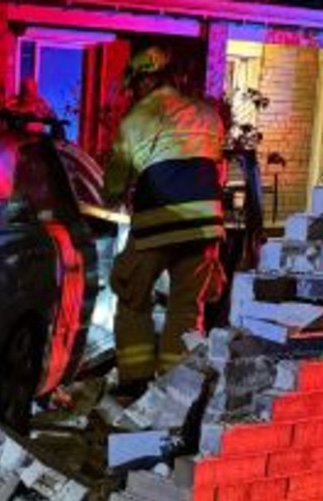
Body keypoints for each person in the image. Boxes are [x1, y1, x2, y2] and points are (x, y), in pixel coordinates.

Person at [102, 45, 227, 402]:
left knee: (131, 295)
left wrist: (115, 195)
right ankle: (177, 390)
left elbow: (114, 184)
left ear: (143, 80)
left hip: (157, 223)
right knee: (187, 308)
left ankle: (136, 382)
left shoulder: (136, 120)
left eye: (136, 85)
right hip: (205, 227)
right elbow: (214, 168)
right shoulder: (208, 114)